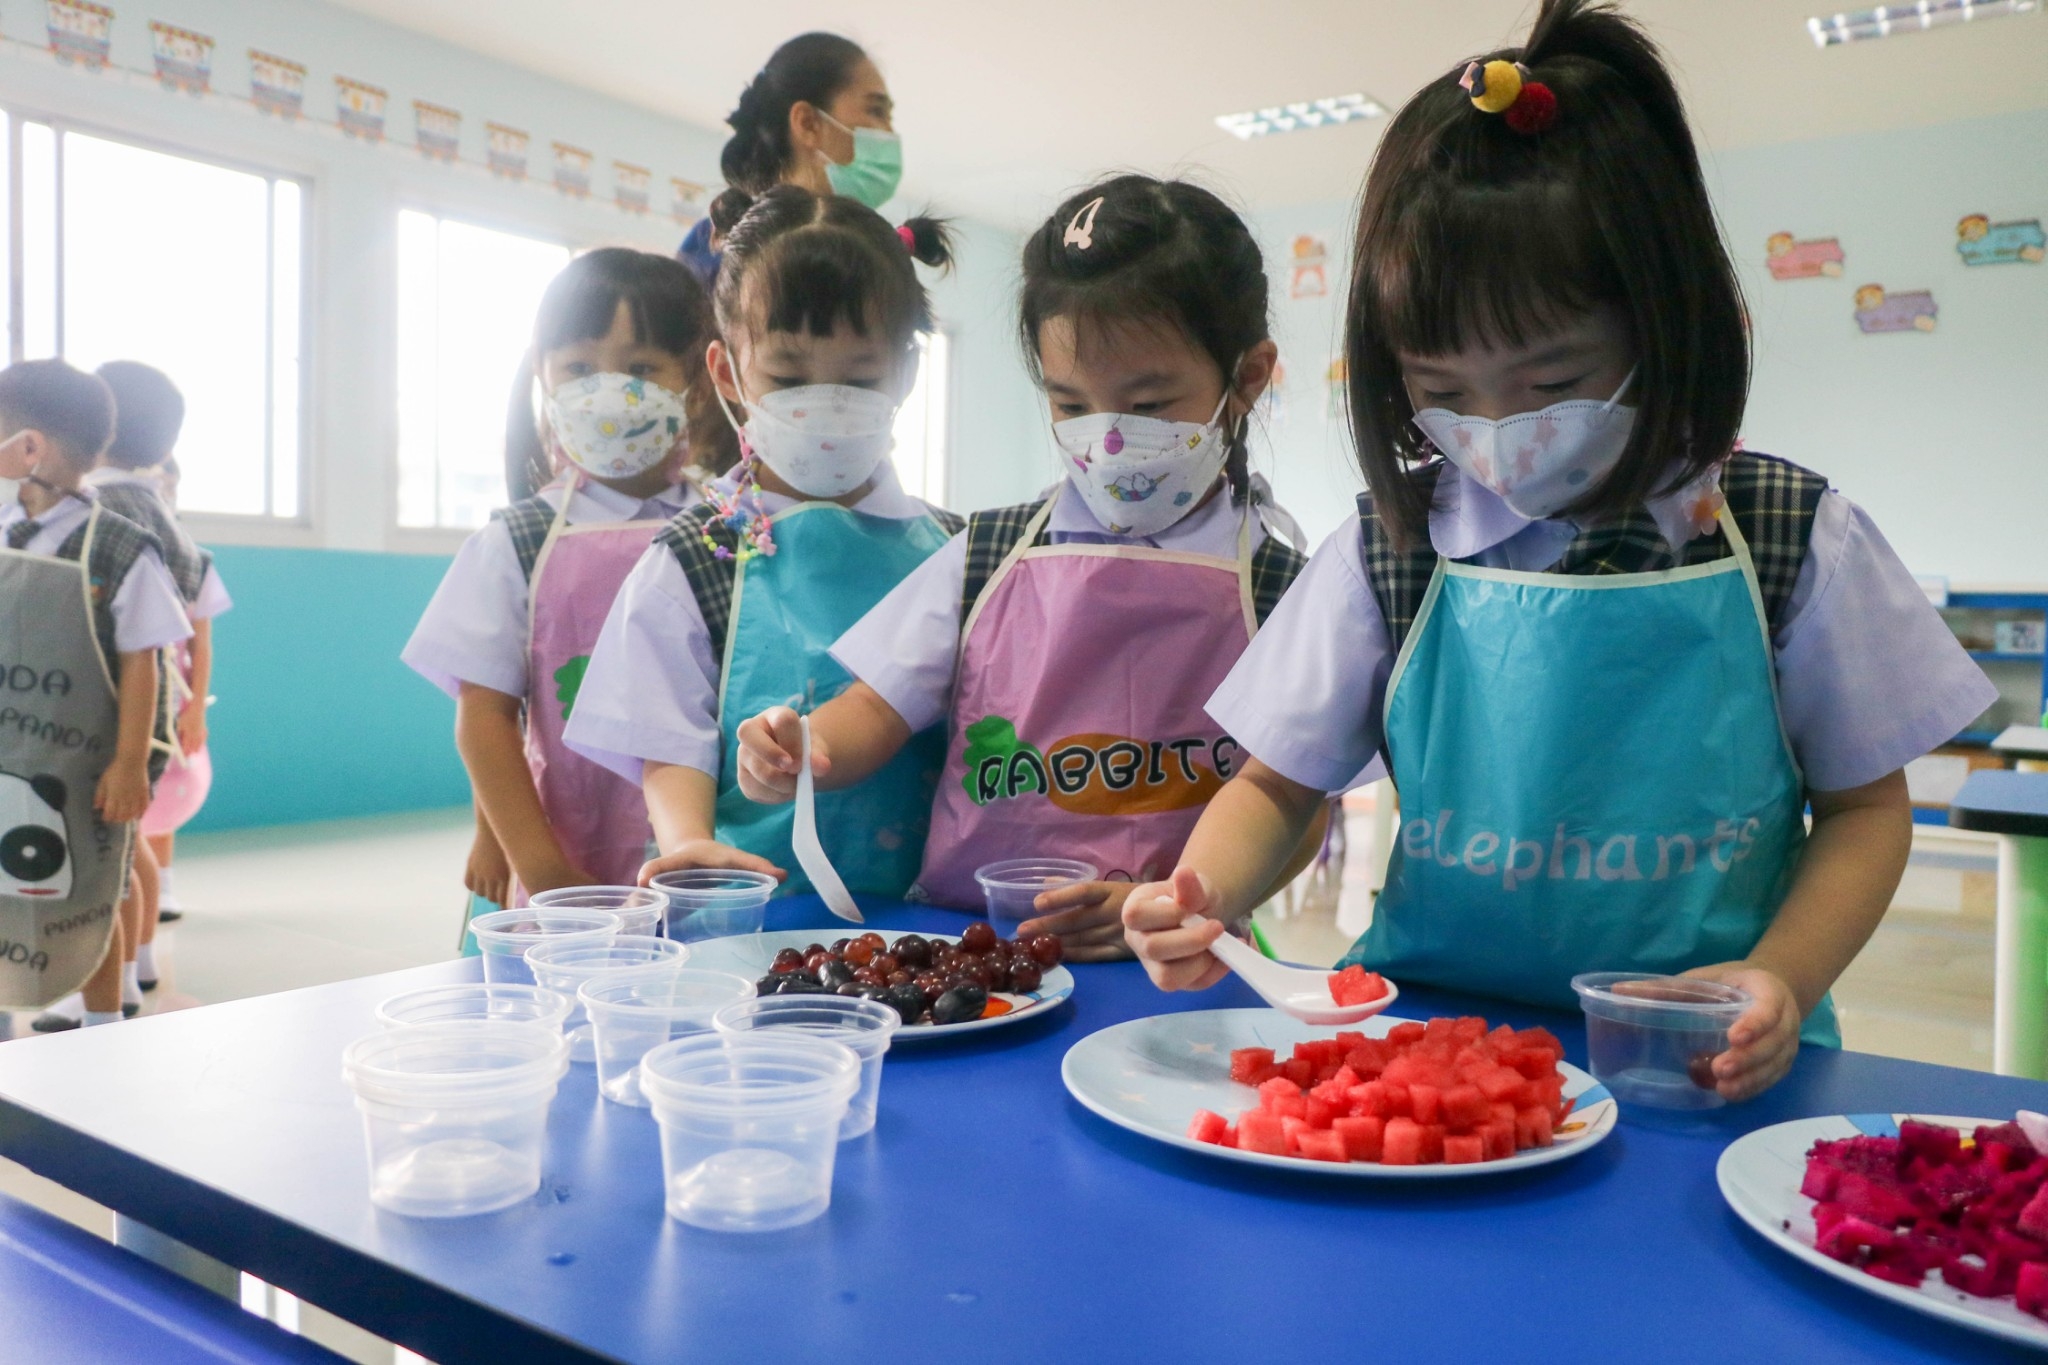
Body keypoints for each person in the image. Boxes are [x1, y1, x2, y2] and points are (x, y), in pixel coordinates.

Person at [1118, 0, 1997, 1099]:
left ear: (1667, 322)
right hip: (1426, 1046)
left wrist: (1781, 974)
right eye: (1442, 389)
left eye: (1553, 381)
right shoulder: (1393, 547)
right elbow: (1275, 785)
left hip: (1696, 1056)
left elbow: (1865, 811)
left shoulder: (1786, 535)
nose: (1498, 431)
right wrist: (1204, 893)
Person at [732, 174, 1319, 961]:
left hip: (1174, 966)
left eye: (1149, 406)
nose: (1108, 440)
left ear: (1246, 377)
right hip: (976, 953)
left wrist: (1187, 903)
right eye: (1070, 404)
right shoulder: (987, 556)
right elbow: (876, 704)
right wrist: (802, 746)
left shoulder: (1282, 589)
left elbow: (1295, 800)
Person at [567, 186, 959, 900]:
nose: (825, 403)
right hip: (753, 910)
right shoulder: (694, 558)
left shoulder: (955, 551)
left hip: (931, 919)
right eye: (787, 376)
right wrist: (690, 843)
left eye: (860, 377)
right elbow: (668, 741)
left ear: (904, 372)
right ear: (727, 372)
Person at [403, 249, 716, 919]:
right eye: (580, 367)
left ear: (692, 379)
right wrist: (543, 871)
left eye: (641, 368)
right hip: (570, 860)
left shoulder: (728, 526)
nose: (610, 392)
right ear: (543, 374)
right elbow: (485, 718)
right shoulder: (516, 541)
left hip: (713, 855)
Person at [0, 359, 191, 1029]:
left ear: (28, 448)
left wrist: (131, 762)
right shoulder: (3, 528)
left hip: (87, 762)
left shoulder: (119, 546)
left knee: (90, 894)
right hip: (11, 748)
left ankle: (103, 1025)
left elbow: (144, 661)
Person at [86, 362, 232, 976]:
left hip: (103, 703)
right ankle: (138, 964)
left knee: (116, 844)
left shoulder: (91, 512)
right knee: (130, 839)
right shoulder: (172, 528)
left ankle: (122, 971)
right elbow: (195, 623)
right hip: (158, 704)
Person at [679, 31, 902, 285]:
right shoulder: (716, 252)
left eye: (889, 117)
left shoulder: (872, 261)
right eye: (876, 110)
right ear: (808, 124)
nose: (890, 133)